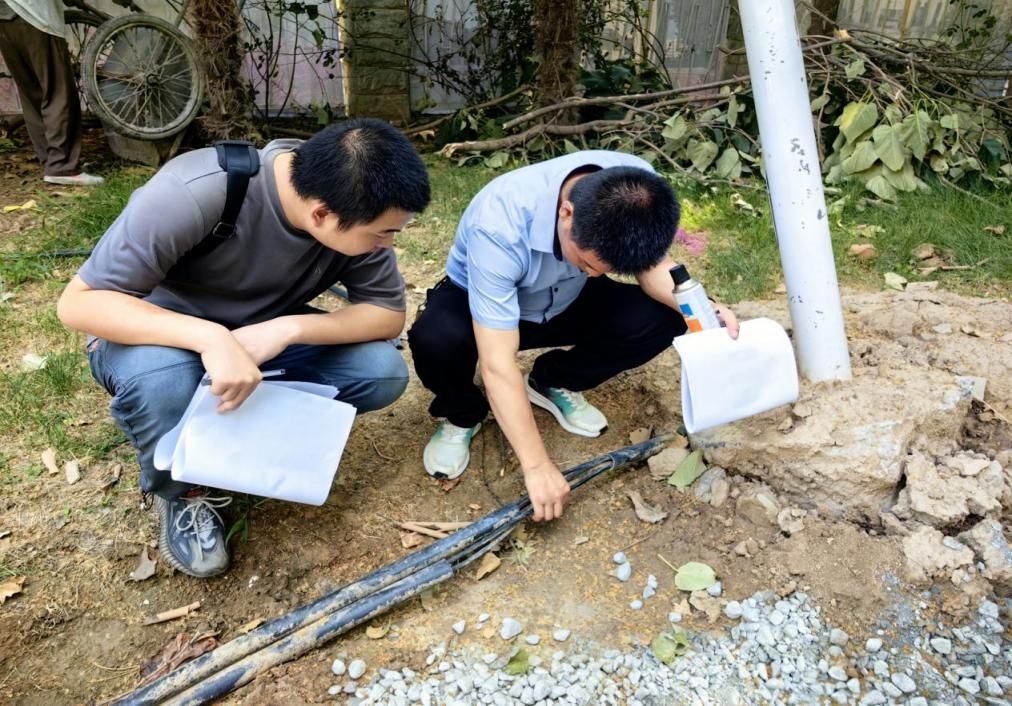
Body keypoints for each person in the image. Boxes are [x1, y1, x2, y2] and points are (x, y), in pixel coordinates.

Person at [57, 119, 431, 578]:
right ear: (321, 214)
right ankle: (182, 492)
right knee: (163, 384)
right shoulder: (196, 191)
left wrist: (287, 329)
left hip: (257, 336)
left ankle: (242, 442)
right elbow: (80, 303)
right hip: (157, 335)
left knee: (380, 370)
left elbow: (386, 314)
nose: (386, 245)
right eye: (382, 234)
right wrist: (209, 338)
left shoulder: (354, 207)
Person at [408, 150, 738, 523]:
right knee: (435, 338)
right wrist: (537, 467)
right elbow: (496, 362)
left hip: (567, 296)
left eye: (606, 269)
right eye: (588, 262)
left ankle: (552, 380)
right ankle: (462, 414)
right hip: (481, 304)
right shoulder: (499, 224)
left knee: (668, 316)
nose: (597, 274)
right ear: (566, 213)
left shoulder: (639, 190)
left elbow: (654, 268)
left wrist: (703, 309)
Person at [0, 0, 103, 186]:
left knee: (32, 91)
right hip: (34, 16)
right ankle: (61, 166)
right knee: (58, 92)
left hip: (5, 19)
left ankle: (50, 160)